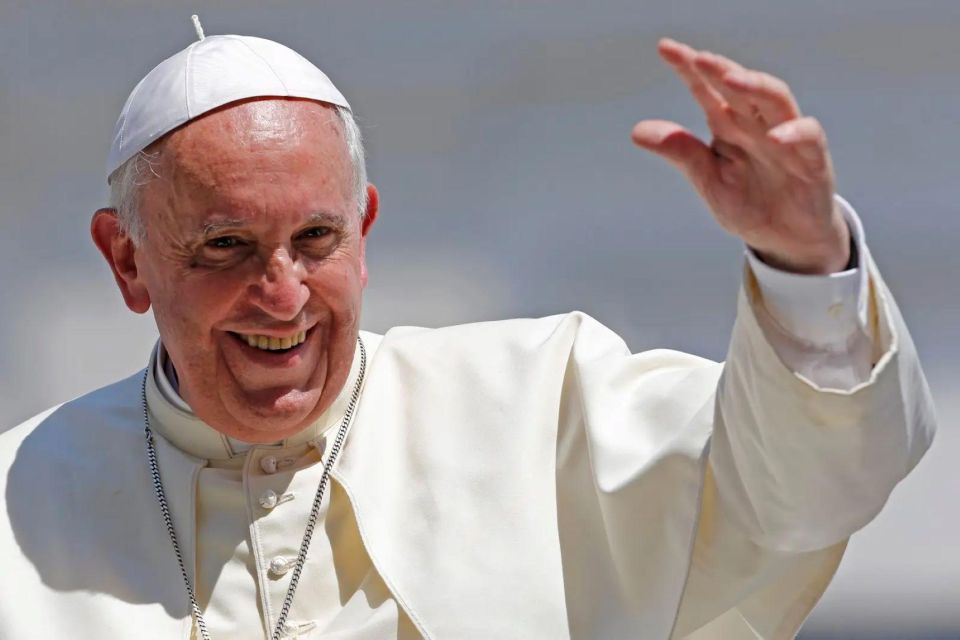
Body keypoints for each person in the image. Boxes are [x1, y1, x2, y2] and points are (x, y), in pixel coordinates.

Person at [0, 21, 936, 640]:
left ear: (362, 233)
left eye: (315, 239)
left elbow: (810, 486)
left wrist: (805, 262)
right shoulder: (16, 508)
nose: (281, 294)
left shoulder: (544, 403)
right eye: (226, 247)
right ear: (127, 261)